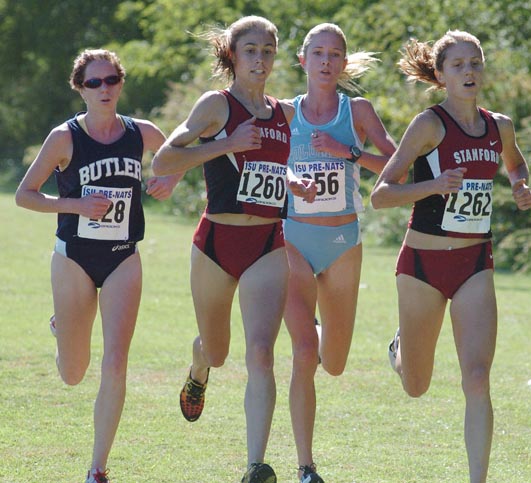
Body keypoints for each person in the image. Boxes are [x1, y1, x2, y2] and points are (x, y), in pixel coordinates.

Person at [151, 16, 316, 483]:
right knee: (218, 351)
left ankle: (254, 466)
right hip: (216, 244)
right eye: (250, 51)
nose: (259, 59)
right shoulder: (216, 106)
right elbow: (165, 159)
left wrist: (293, 182)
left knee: (261, 353)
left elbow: (269, 172)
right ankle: (199, 366)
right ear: (233, 55)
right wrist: (225, 143)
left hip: (267, 242)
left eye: (267, 50)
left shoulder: (285, 114)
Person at [370, 31, 531, 483]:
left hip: (474, 265)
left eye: (475, 63)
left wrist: (519, 184)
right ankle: (400, 349)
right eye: (458, 65)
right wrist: (433, 186)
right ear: (440, 75)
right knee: (416, 386)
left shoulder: (499, 124)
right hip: (422, 268)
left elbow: (514, 162)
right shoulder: (429, 125)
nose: (469, 71)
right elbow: (381, 195)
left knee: (477, 378)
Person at [14, 49, 181, 483]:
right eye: (94, 83)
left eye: (111, 80)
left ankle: (97, 468)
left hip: (124, 255)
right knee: (73, 373)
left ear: (121, 84)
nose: (104, 88)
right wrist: (76, 204)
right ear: (80, 89)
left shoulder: (142, 133)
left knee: (116, 362)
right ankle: (62, 328)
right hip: (74, 258)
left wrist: (168, 180)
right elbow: (24, 194)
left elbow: (177, 159)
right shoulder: (64, 138)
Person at [282, 23, 397, 483]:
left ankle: (378, 342)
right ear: (303, 59)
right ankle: (306, 466)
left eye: (335, 54)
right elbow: (266, 167)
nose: (326, 61)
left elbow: (396, 164)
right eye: (318, 53)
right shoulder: (283, 114)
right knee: (305, 353)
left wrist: (348, 152)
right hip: (292, 238)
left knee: (334, 362)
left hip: (342, 244)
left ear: (344, 63)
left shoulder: (359, 111)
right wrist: (292, 182)